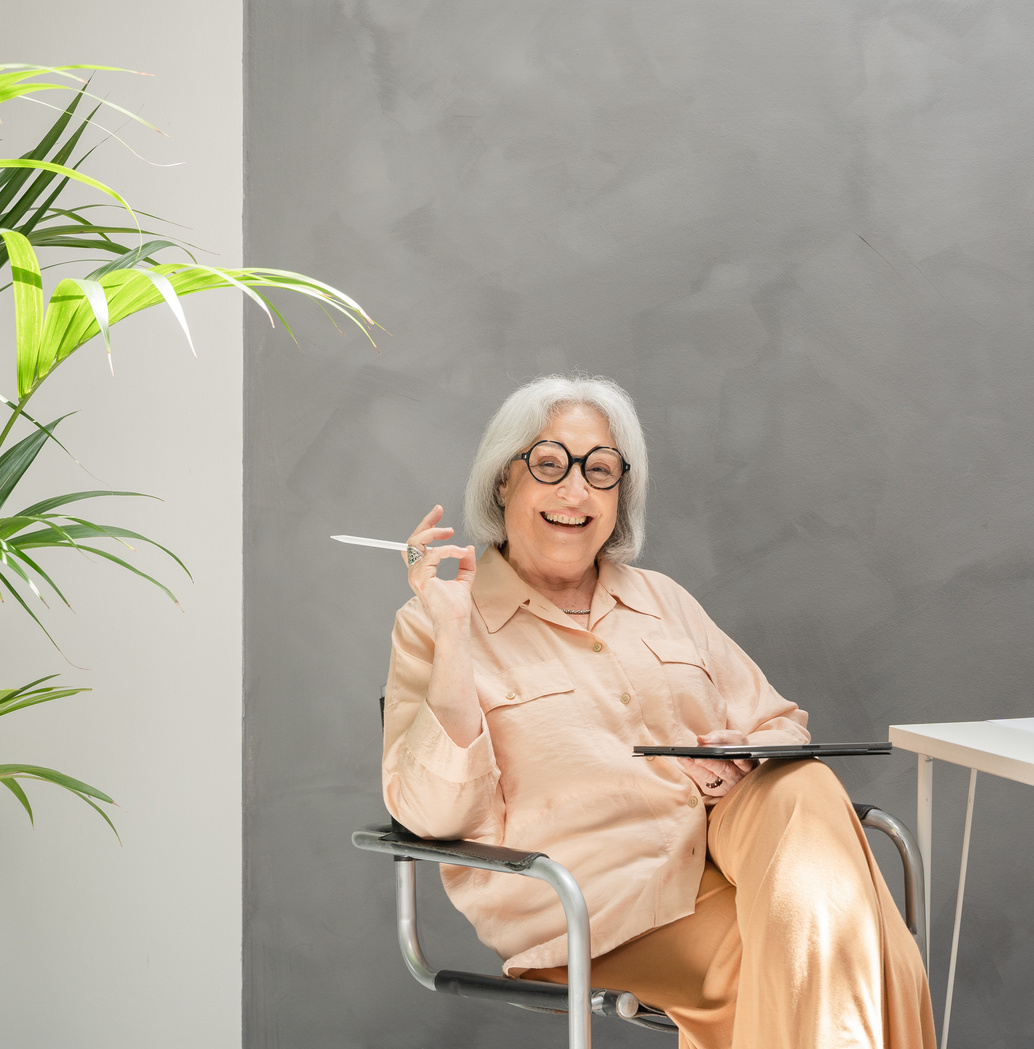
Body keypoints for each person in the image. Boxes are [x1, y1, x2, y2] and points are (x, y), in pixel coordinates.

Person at [381, 374, 935, 1049]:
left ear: (621, 493)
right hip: (597, 906)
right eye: (549, 465)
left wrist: (743, 749)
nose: (575, 491)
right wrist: (452, 635)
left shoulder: (663, 600)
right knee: (859, 946)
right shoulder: (438, 623)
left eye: (600, 471)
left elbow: (781, 723)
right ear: (503, 480)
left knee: (806, 782)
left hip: (730, 850)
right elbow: (431, 816)